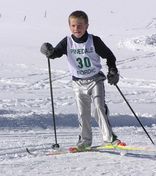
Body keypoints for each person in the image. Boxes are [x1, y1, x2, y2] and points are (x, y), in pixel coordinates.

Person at [40, 10, 126, 149]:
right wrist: (48, 50)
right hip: (78, 82)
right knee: (82, 112)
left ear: (87, 26)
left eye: (80, 25)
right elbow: (54, 54)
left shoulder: (94, 40)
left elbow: (110, 56)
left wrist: (113, 70)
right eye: (73, 26)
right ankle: (85, 141)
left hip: (95, 80)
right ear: (69, 26)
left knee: (98, 107)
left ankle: (110, 138)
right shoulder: (67, 42)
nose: (76, 29)